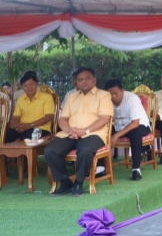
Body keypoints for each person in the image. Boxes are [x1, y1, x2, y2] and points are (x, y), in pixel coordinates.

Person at [45, 67, 113, 197]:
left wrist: (85, 131)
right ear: (76, 82)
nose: (84, 81)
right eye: (80, 79)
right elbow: (63, 118)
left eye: (87, 78)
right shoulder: (71, 97)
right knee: (50, 150)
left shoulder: (104, 95)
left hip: (93, 133)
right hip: (70, 133)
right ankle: (65, 182)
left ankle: (78, 183)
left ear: (94, 80)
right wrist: (68, 130)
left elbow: (105, 118)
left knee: (85, 150)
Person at [105, 80, 151, 181]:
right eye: (110, 94)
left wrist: (116, 135)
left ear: (122, 90)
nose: (113, 97)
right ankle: (100, 167)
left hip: (140, 125)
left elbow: (135, 123)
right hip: (119, 126)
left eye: (116, 93)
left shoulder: (132, 98)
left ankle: (136, 169)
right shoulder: (106, 100)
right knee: (102, 133)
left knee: (135, 134)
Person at [5, 71, 55, 143]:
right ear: (22, 87)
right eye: (25, 85)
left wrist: (30, 125)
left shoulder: (47, 97)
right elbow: (15, 117)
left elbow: (49, 116)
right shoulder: (21, 99)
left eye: (32, 84)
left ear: (37, 84)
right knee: (5, 135)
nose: (29, 88)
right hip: (22, 128)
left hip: (40, 128)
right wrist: (17, 126)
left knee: (25, 138)